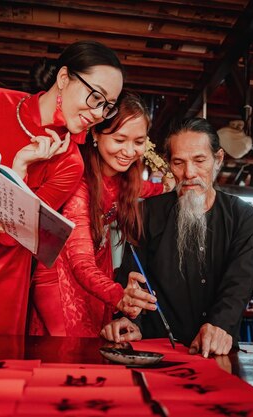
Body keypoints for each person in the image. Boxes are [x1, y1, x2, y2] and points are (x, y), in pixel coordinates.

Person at [0, 40, 124, 335]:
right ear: (63, 78)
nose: (98, 113)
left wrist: (19, 167)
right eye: (96, 97)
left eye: (108, 106)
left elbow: (17, 233)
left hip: (8, 265)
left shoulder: (71, 163)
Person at [100, 117, 253, 357]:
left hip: (217, 349)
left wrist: (220, 326)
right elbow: (133, 279)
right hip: (156, 350)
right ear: (168, 164)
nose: (189, 173)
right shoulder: (146, 214)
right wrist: (128, 318)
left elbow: (239, 284)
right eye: (178, 163)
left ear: (218, 160)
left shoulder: (242, 216)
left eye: (199, 161)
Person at [29, 92, 173, 337]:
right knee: (68, 353)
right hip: (62, 273)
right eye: (119, 139)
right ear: (95, 133)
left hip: (96, 273)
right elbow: (80, 262)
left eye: (138, 142)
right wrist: (119, 295)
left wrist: (168, 184)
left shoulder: (126, 180)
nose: (129, 151)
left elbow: (152, 188)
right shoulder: (80, 182)